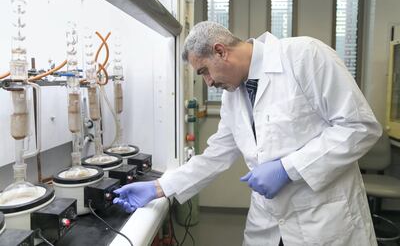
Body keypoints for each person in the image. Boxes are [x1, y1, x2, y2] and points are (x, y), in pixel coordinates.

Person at [113, 21, 382, 246]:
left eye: (204, 71)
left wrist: (288, 169)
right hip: (267, 225)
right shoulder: (235, 95)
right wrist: (160, 187)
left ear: (220, 51)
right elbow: (216, 156)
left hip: (323, 222)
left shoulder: (305, 56)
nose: (209, 82)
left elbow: (360, 127)